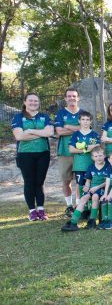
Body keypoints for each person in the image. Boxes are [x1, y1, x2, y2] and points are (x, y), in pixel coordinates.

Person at [11, 93, 53, 221]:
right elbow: (19, 136)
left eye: (36, 101)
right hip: (25, 154)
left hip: (43, 153)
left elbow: (50, 132)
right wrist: (41, 134)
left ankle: (40, 209)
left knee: (39, 182)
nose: (33, 103)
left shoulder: (44, 116)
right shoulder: (18, 117)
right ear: (25, 102)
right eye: (30, 101)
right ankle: (32, 211)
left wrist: (30, 131)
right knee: (29, 182)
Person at [54, 88, 85, 217]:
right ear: (65, 99)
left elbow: (85, 129)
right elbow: (59, 131)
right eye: (69, 96)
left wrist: (67, 126)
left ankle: (79, 206)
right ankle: (69, 206)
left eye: (74, 96)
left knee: (80, 181)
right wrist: (77, 129)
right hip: (64, 151)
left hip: (81, 152)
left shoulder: (83, 113)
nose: (72, 98)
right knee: (66, 180)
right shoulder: (60, 113)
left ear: (78, 98)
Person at [60, 147, 107, 231]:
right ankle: (73, 222)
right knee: (83, 198)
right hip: (92, 188)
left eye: (100, 156)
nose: (98, 158)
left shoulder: (108, 167)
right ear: (92, 158)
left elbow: (109, 181)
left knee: (95, 196)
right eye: (96, 156)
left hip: (102, 188)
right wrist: (87, 186)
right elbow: (88, 180)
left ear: (104, 156)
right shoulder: (91, 167)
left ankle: (92, 221)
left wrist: (97, 187)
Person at [68, 111, 100, 206]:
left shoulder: (94, 134)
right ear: (79, 121)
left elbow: (97, 146)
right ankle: (79, 204)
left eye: (87, 120)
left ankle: (90, 205)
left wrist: (91, 147)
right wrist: (85, 149)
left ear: (91, 121)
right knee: (80, 185)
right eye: (83, 119)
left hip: (92, 164)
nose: (85, 122)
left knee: (91, 184)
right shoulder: (76, 134)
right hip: (79, 165)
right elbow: (71, 149)